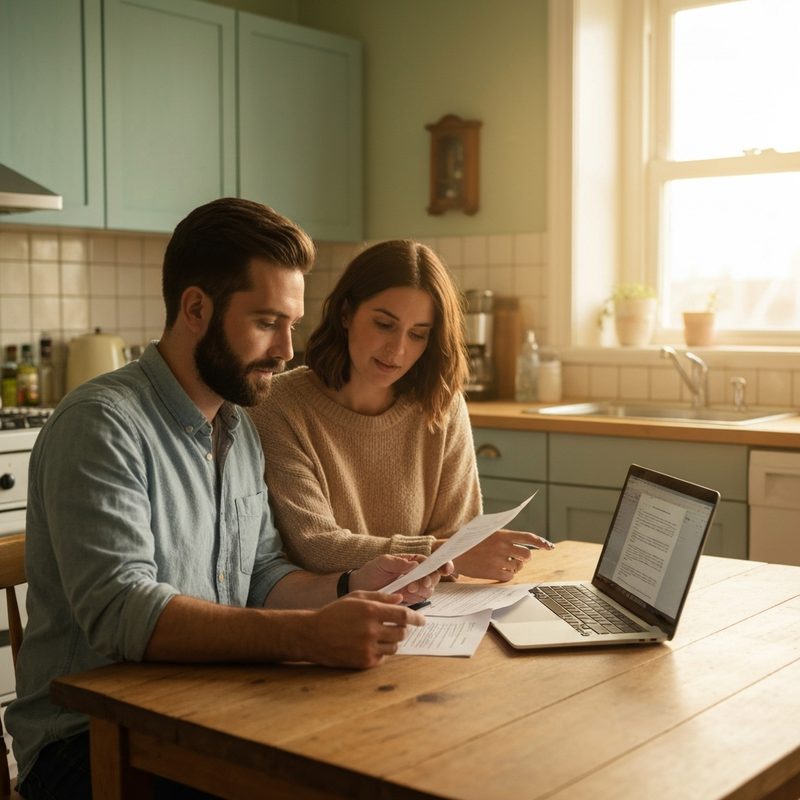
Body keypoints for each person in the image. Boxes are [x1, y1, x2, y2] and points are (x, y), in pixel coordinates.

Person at [6, 201, 449, 800]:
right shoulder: (102, 424)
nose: (288, 349)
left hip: (210, 709)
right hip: (89, 740)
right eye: (267, 322)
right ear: (195, 309)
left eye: (291, 323)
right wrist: (307, 636)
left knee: (404, 753)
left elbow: (263, 573)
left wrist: (348, 585)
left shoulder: (238, 427)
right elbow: (121, 612)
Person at [249, 239, 552, 582]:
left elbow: (457, 534)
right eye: (384, 324)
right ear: (346, 313)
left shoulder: (442, 406)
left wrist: (448, 555)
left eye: (418, 334)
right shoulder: (278, 405)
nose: (397, 350)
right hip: (328, 616)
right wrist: (439, 553)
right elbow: (316, 547)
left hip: (430, 613)